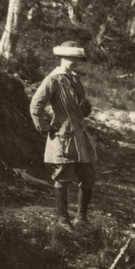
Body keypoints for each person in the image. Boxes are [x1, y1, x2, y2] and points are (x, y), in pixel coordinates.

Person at [30, 41, 97, 229]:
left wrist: (85, 108)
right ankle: (63, 219)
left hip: (80, 134)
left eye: (77, 58)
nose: (74, 61)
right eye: (70, 57)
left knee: (89, 175)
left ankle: (81, 218)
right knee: (63, 176)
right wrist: (43, 127)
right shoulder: (53, 79)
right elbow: (36, 105)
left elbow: (81, 105)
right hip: (64, 135)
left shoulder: (75, 79)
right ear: (61, 57)